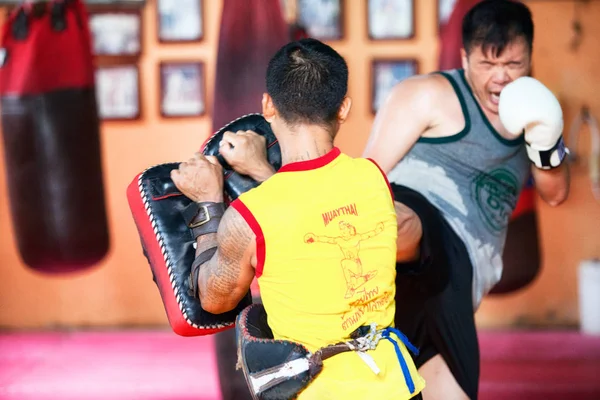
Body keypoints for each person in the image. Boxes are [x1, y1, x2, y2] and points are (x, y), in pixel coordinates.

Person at [170, 38, 426, 399]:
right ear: (343, 108)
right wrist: (260, 170)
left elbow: (214, 298)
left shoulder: (250, 216)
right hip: (397, 386)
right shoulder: (373, 179)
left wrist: (209, 204)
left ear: (268, 105)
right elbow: (317, 205)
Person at [361, 1, 570, 399]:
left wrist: (544, 141)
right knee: (407, 222)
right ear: (463, 57)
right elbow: (366, 176)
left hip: (458, 279)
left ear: (529, 58)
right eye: (487, 65)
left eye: (513, 64)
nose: (501, 79)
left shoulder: (535, 115)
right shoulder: (426, 95)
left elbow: (556, 194)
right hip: (408, 230)